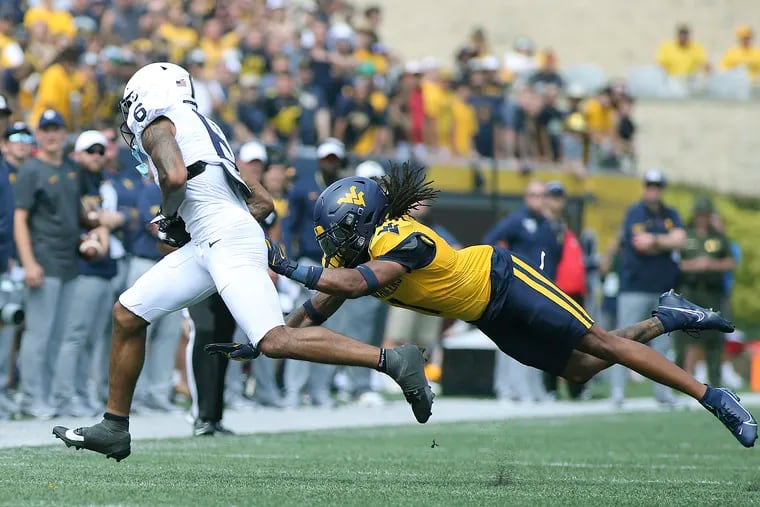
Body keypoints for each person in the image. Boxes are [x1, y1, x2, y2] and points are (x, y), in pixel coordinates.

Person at [53, 62, 432, 461]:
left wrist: (171, 216)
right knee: (128, 313)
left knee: (274, 339)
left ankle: (392, 360)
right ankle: (114, 426)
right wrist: (212, 225)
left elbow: (176, 177)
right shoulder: (207, 127)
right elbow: (264, 203)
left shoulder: (159, 125)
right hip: (214, 238)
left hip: (222, 238)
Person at [253, 162, 754, 449]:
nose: (334, 244)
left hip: (503, 281)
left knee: (599, 342)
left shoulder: (399, 237)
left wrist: (290, 267)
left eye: (339, 231)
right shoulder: (355, 252)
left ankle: (712, 396)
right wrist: (268, 337)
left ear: (363, 221)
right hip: (484, 313)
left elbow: (361, 283)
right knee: (580, 369)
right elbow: (315, 310)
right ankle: (668, 317)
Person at [14, 109, 81, 419]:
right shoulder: (30, 170)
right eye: (46, 130)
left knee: (60, 335)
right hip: (44, 260)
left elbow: (79, 214)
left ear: (64, 133)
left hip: (70, 262)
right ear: (38, 135)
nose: (52, 135)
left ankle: (52, 397)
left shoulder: (71, 168)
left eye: (57, 129)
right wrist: (29, 262)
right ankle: (30, 398)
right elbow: (20, 218)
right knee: (39, 335)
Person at [610, 169, 685, 407]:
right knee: (624, 340)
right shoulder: (636, 212)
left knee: (663, 343)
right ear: (645, 188)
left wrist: (655, 241)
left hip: (663, 288)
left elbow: (680, 239)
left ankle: (664, 393)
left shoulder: (671, 213)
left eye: (657, 186)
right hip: (635, 286)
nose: (653, 190)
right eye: (650, 186)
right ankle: (617, 390)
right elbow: (640, 244)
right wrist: (664, 241)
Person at [673, 195, 736, 387]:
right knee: (686, 336)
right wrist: (692, 265)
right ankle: (683, 381)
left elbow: (731, 261)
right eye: (699, 214)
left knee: (714, 337)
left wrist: (711, 264)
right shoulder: (685, 236)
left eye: (706, 214)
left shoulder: (718, 237)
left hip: (712, 292)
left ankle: (715, 381)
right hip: (689, 292)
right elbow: (675, 262)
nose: (702, 218)